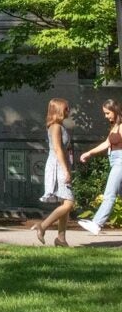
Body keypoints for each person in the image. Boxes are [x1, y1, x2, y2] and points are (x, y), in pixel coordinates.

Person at [33, 97, 74, 247]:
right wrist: (66, 170)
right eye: (65, 108)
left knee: (65, 202)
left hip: (61, 164)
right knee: (69, 203)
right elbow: (57, 149)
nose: (68, 111)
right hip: (58, 165)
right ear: (57, 110)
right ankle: (42, 226)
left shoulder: (60, 126)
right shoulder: (55, 127)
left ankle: (61, 239)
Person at [78, 98, 122, 236]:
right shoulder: (115, 126)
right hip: (114, 161)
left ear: (115, 111)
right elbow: (107, 143)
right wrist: (89, 153)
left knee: (109, 194)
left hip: (120, 161)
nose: (106, 116)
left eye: (108, 113)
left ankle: (97, 224)